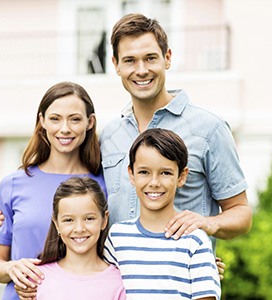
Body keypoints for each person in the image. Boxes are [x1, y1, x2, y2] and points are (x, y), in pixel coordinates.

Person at [99, 13, 252, 249]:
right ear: (116, 65)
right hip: (120, 281)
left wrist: (207, 224)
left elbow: (241, 212)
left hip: (181, 279)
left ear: (167, 58)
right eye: (130, 60)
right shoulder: (109, 136)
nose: (141, 70)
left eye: (150, 58)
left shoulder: (209, 129)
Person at [0, 81, 107, 300]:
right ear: (42, 120)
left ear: (90, 122)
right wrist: (12, 269)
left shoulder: (104, 184)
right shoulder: (13, 184)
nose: (65, 129)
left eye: (75, 119)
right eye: (55, 119)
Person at [103, 128, 221, 299]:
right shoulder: (117, 236)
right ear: (131, 174)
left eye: (165, 173)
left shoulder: (195, 240)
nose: (154, 183)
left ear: (181, 176)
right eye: (144, 172)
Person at [26, 176, 125, 299]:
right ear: (56, 224)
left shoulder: (119, 282)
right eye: (68, 220)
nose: (79, 229)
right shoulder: (37, 278)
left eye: (89, 219)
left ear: (104, 220)